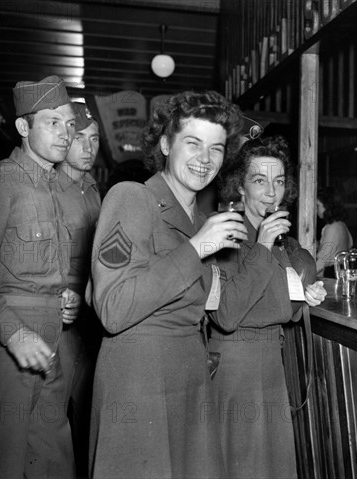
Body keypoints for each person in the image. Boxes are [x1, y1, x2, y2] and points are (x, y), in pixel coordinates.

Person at [89, 90, 253, 478]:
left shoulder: (199, 219)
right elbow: (112, 309)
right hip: (138, 383)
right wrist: (195, 250)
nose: (205, 159)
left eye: (216, 148)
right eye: (192, 143)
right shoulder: (131, 198)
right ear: (165, 143)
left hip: (189, 380)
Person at [211, 135, 327, 479]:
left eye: (278, 181)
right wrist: (261, 245)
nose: (271, 192)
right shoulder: (223, 236)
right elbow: (227, 315)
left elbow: (278, 307)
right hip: (235, 367)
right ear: (240, 187)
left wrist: (304, 297)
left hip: (271, 367)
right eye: (259, 181)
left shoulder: (278, 241)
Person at [0, 75, 80, 478]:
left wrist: (65, 296)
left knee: (53, 457)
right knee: (8, 456)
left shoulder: (55, 187)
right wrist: (13, 333)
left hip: (52, 339)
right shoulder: (4, 182)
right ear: (23, 127)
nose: (66, 133)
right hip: (11, 342)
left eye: (69, 123)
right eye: (53, 122)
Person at [54, 101, 102, 477]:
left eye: (95, 139)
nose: (88, 147)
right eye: (80, 139)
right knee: (53, 420)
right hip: (61, 317)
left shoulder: (92, 189)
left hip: (93, 314)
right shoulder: (49, 187)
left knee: (88, 410)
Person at [315, 186, 353, 277]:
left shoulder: (333, 228)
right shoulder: (342, 225)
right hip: (340, 273)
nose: (315, 210)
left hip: (331, 275)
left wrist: (302, 277)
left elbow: (321, 262)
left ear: (328, 206)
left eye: (318, 206)